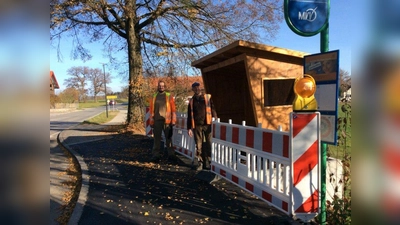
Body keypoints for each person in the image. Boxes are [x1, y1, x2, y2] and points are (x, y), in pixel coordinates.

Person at [187, 82, 217, 171]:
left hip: (207, 124)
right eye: (195, 88)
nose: (197, 89)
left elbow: (213, 109)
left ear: (200, 88)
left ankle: (211, 162)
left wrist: (215, 119)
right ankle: (201, 162)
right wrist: (189, 128)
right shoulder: (192, 101)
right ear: (193, 90)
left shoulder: (207, 98)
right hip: (197, 125)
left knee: (209, 143)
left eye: (198, 87)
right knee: (198, 145)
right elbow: (189, 115)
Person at [149, 80, 177, 163]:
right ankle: (155, 155)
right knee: (156, 139)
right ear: (158, 86)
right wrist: (151, 122)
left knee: (168, 139)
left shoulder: (169, 96)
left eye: (162, 86)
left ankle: (171, 155)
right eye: (160, 85)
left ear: (164, 87)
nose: (161, 87)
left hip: (167, 121)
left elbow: (173, 109)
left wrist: (173, 120)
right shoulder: (154, 96)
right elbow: (151, 110)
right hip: (157, 120)